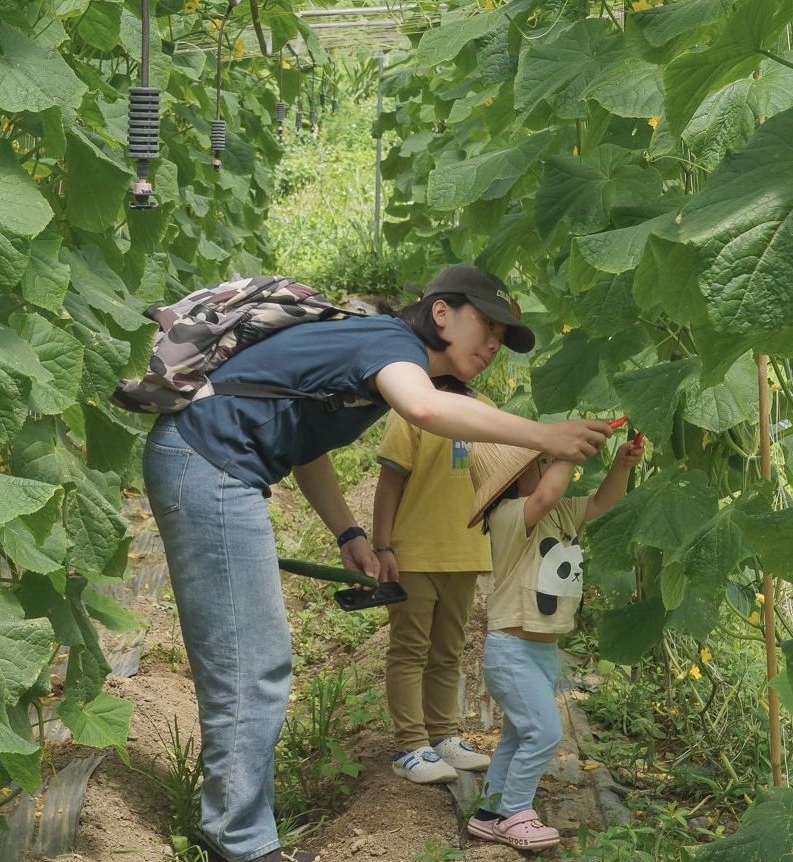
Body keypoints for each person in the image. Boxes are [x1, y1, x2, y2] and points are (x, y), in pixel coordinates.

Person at [142, 264, 614, 862]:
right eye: (486, 326)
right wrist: (543, 436)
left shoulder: (371, 351)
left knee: (255, 658)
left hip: (216, 465)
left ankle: (240, 837)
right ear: (441, 312)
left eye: (504, 336)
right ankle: (240, 845)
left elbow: (302, 441)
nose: (494, 344)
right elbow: (424, 410)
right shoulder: (392, 344)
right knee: (251, 660)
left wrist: (348, 531)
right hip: (207, 463)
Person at [465, 438, 643, 851]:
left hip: (541, 652)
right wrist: (567, 449)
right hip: (511, 650)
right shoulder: (510, 515)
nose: (549, 466)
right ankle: (514, 813)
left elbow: (601, 503)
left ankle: (489, 814)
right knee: (544, 732)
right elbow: (546, 494)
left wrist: (621, 466)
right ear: (511, 481)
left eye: (549, 459)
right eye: (540, 461)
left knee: (517, 735)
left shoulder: (559, 512)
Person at [373, 378, 495, 784]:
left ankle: (442, 736)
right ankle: (411, 744)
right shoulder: (411, 406)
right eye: (484, 334)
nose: (490, 347)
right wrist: (382, 546)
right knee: (411, 647)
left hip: (465, 551)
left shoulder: (487, 407)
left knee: (448, 649)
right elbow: (391, 479)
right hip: (415, 552)